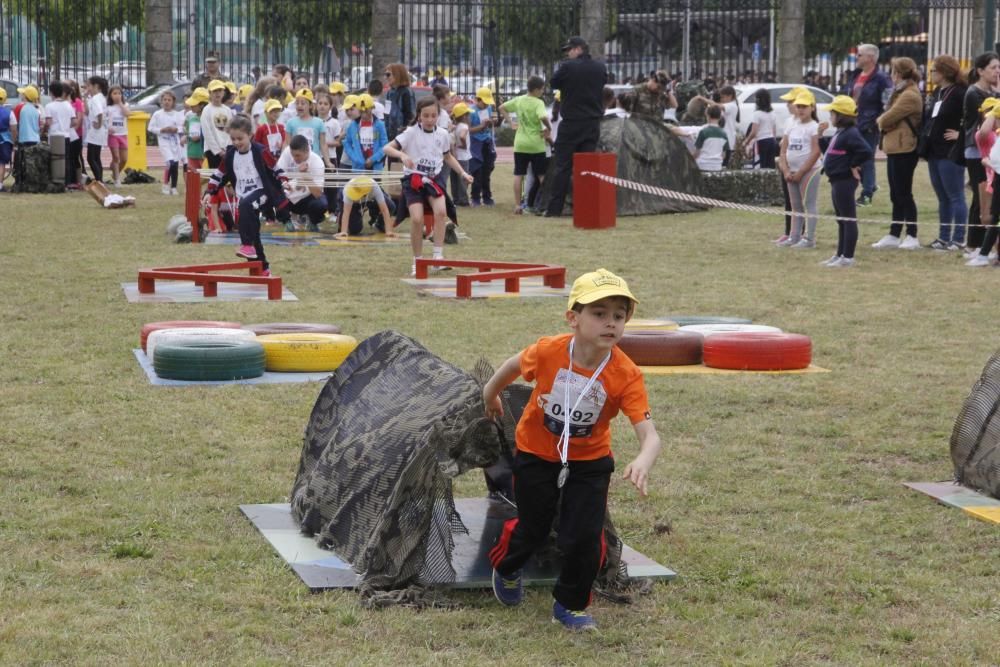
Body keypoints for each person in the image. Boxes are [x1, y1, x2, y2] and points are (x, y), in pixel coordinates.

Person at [482, 268, 661, 632]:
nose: (610, 323)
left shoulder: (625, 373)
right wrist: (490, 395)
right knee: (533, 527)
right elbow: (513, 366)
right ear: (573, 318)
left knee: (584, 538)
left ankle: (570, 604)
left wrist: (643, 458)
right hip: (535, 452)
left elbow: (650, 434)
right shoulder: (549, 350)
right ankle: (508, 567)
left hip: (589, 462)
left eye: (619, 315)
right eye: (599, 313)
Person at [383, 97, 473, 276]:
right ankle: (417, 261)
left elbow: (448, 157)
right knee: (417, 219)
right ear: (419, 116)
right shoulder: (410, 133)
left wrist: (463, 173)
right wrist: (402, 156)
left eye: (433, 116)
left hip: (434, 179)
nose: (430, 119)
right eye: (426, 116)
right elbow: (387, 148)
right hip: (413, 180)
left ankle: (437, 258)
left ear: (438, 116)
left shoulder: (443, 134)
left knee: (441, 212)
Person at [203, 115, 290, 275]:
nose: (236, 142)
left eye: (240, 139)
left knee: (245, 206)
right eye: (233, 139)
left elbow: (275, 168)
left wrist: (284, 181)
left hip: (262, 192)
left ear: (250, 135)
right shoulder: (230, 154)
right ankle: (263, 268)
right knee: (251, 229)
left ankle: (247, 245)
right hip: (244, 194)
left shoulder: (260, 151)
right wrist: (210, 192)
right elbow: (219, 174)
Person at [545, 36, 607, 217]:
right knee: (586, 167)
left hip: (571, 123)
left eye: (569, 50)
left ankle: (555, 209)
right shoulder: (599, 67)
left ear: (579, 49)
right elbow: (602, 83)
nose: (568, 53)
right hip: (592, 123)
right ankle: (585, 207)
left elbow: (553, 83)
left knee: (563, 167)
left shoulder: (567, 67)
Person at [872, 57, 924, 250]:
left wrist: (886, 121)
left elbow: (885, 119)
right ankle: (894, 233)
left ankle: (912, 234)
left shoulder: (909, 94)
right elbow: (889, 117)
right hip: (895, 147)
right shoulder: (899, 92)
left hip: (905, 148)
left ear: (900, 73)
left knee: (904, 193)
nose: (891, 75)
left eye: (893, 71)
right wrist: (887, 120)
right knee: (895, 193)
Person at [819, 96, 873, 268]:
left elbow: (866, 151)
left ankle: (848, 257)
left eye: (832, 113)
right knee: (841, 219)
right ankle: (840, 254)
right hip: (835, 180)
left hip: (844, 181)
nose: (830, 116)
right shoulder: (840, 132)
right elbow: (829, 151)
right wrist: (820, 137)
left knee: (848, 219)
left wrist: (852, 164)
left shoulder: (851, 133)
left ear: (841, 115)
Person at [924, 55, 969, 251]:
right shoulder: (937, 92)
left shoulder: (960, 92)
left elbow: (974, 117)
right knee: (942, 196)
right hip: (934, 150)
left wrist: (961, 134)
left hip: (950, 152)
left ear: (944, 72)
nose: (931, 73)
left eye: (934, 70)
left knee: (955, 195)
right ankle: (943, 237)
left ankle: (958, 238)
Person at [960, 52, 1000, 255]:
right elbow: (986, 122)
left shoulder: (992, 93)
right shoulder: (974, 93)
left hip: (991, 153)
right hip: (977, 152)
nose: (997, 71)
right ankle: (974, 244)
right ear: (980, 71)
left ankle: (982, 243)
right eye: (993, 68)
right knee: (980, 198)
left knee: (989, 198)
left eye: (998, 67)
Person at [845, 44, 892, 206]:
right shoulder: (856, 75)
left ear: (870, 58)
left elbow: (888, 102)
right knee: (852, 157)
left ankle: (866, 194)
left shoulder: (881, 78)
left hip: (868, 124)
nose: (856, 57)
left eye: (859, 55)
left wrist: (878, 120)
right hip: (853, 123)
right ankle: (870, 185)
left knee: (866, 158)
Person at [500, 75, 551, 215]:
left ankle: (517, 205)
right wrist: (549, 128)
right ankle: (546, 204)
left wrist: (511, 122)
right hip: (536, 144)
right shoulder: (538, 102)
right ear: (535, 90)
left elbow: (501, 107)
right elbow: (543, 117)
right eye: (541, 89)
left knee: (518, 174)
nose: (542, 91)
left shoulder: (519, 100)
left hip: (520, 143)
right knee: (541, 175)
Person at [777, 90, 822, 248]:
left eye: (804, 106)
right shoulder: (792, 125)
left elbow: (816, 152)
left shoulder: (814, 127)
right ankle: (794, 236)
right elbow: (783, 150)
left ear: (812, 108)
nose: (801, 109)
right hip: (791, 171)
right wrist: (786, 170)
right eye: (798, 106)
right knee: (795, 205)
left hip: (809, 172)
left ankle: (809, 238)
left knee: (809, 204)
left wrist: (802, 172)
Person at [966, 102, 1000, 266]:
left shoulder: (994, 134)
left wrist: (988, 162)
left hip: (995, 177)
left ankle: (985, 254)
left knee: (994, 219)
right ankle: (989, 253)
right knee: (992, 218)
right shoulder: (994, 135)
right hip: (993, 179)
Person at [276, 135, 327, 232]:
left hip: (308, 199)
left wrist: (305, 175)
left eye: (298, 155)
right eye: (293, 154)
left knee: (321, 204)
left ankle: (313, 221)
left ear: (307, 150)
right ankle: (287, 221)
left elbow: (318, 194)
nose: (295, 158)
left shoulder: (317, 162)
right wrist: (284, 184)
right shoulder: (287, 152)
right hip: (290, 197)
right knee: (275, 195)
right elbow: (278, 174)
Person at [147, 91, 185, 196]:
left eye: (169, 100)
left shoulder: (177, 115)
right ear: (161, 101)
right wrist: (162, 130)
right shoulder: (157, 114)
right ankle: (165, 184)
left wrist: (176, 129)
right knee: (170, 162)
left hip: (175, 143)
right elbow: (151, 128)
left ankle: (174, 187)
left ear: (173, 102)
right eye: (165, 100)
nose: (167, 102)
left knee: (175, 164)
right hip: (164, 142)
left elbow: (183, 127)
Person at [44, 81, 78, 186]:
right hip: (66, 135)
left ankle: (55, 180)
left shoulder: (49, 106)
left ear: (52, 93)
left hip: (54, 136)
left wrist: (44, 128)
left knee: (54, 158)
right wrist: (66, 125)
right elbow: (74, 122)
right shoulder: (68, 105)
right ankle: (66, 181)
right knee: (65, 159)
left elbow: (48, 122)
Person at [285, 89, 330, 167]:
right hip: (296, 164)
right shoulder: (290, 123)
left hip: (314, 162)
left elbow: (323, 144)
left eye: (303, 103)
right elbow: (287, 144)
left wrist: (328, 162)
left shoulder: (319, 123)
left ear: (310, 105)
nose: (299, 105)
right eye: (297, 103)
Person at [201, 80, 234, 169]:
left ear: (223, 92)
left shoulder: (227, 110)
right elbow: (207, 133)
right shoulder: (207, 110)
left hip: (227, 149)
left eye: (220, 90)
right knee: (216, 177)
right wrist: (218, 151)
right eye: (215, 91)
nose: (217, 93)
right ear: (210, 93)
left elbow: (230, 131)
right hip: (213, 151)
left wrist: (228, 148)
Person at [743, 88, 778, 169]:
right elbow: (774, 130)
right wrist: (774, 140)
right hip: (771, 141)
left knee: (760, 166)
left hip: (761, 141)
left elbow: (754, 132)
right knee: (770, 165)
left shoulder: (757, 114)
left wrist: (746, 141)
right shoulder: (772, 113)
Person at [688, 105, 730, 171]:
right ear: (719, 117)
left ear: (708, 116)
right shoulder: (724, 134)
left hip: (702, 165)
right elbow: (723, 155)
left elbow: (697, 153)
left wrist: (688, 157)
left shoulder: (703, 132)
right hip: (717, 166)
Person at [106, 85, 131, 186]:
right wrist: (108, 128)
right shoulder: (108, 107)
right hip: (113, 135)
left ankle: (115, 172)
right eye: (114, 93)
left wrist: (120, 103)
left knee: (124, 159)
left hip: (123, 134)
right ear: (110, 95)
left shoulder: (125, 105)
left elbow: (128, 114)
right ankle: (117, 180)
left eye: (119, 93)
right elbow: (104, 120)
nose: (117, 95)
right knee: (116, 157)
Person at [384, 63, 416, 141]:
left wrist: (404, 130)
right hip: (390, 133)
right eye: (385, 74)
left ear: (397, 74)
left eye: (388, 75)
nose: (386, 77)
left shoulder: (406, 92)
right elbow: (387, 113)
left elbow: (410, 114)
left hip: (403, 134)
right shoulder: (389, 92)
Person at [449, 102, 472, 206]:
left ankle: (456, 199)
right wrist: (464, 145)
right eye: (468, 114)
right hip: (463, 156)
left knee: (454, 179)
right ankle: (463, 199)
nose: (469, 117)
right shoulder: (465, 126)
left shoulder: (455, 126)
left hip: (455, 156)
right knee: (463, 178)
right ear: (464, 116)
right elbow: (463, 136)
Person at [252, 99, 286, 168]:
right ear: (266, 113)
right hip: (265, 161)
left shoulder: (281, 127)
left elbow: (285, 141)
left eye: (278, 111)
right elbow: (255, 145)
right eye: (273, 111)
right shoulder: (261, 129)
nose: (276, 113)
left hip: (279, 160)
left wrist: (281, 145)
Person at [64, 80, 85, 188]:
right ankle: (70, 178)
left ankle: (78, 179)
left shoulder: (77, 102)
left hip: (76, 134)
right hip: (67, 134)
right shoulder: (63, 103)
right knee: (68, 157)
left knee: (76, 157)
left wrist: (73, 130)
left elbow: (79, 118)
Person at [183, 87, 208, 172]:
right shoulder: (191, 118)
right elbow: (187, 131)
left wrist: (199, 136)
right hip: (192, 154)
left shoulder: (208, 119)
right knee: (193, 179)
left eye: (194, 104)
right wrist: (186, 136)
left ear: (202, 105)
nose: (191, 106)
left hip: (204, 156)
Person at [0, 89, 11, 190]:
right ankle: (0, 184)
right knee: (2, 162)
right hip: (4, 139)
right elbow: (13, 126)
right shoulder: (8, 113)